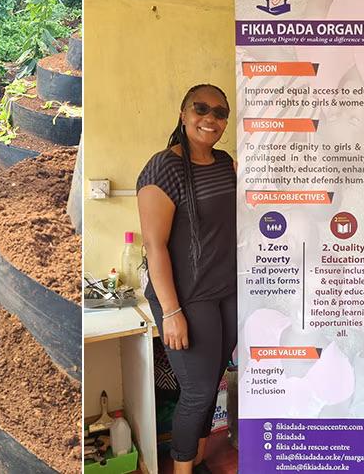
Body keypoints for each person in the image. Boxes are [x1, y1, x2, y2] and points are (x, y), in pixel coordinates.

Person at [137, 84, 237, 474]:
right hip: (186, 298)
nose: (210, 118)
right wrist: (172, 312)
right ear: (183, 114)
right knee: (195, 392)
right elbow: (154, 246)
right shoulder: (164, 168)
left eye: (220, 112)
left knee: (212, 383)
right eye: (201, 109)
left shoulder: (225, 162)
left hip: (225, 292)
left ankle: (196, 461)